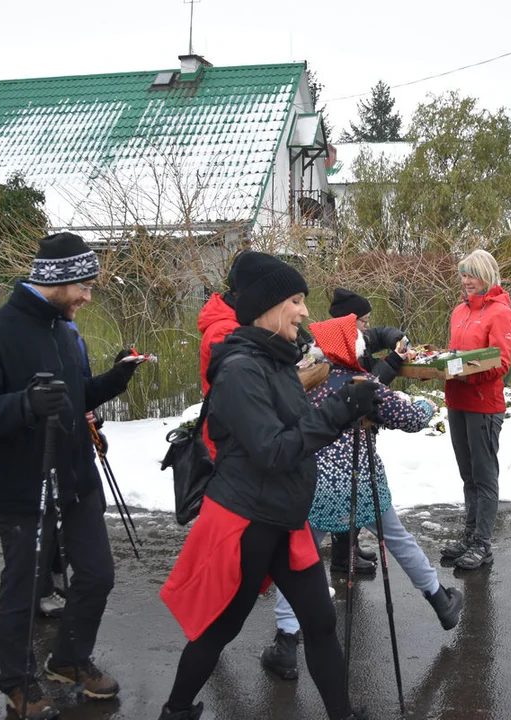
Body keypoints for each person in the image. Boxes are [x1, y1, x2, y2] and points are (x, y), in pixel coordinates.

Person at [158, 251, 378, 720]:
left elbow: (298, 424)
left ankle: (341, 713)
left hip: (284, 514)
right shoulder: (241, 370)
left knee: (320, 621)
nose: (304, 311)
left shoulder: (275, 359)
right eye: (296, 300)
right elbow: (274, 450)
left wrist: (348, 398)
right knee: (221, 626)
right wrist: (339, 412)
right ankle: (176, 711)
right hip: (248, 520)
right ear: (268, 306)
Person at [0, 232, 145, 720]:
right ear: (56, 281)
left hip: (76, 479)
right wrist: (23, 405)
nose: (88, 295)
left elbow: (72, 397)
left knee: (98, 575)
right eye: (83, 284)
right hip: (23, 487)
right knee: (23, 588)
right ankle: (18, 682)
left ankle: (68, 660)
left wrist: (112, 380)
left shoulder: (65, 330)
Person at [260, 314, 464, 682]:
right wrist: (426, 408)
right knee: (399, 540)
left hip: (313, 487)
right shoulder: (363, 383)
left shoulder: (303, 381)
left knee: (297, 559)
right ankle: (440, 601)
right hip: (364, 483)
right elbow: (409, 418)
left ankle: (286, 643)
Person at [439, 249, 511, 570]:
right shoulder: (459, 311)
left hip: (484, 406)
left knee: (484, 477)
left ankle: (483, 544)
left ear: (487, 275)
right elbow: (455, 355)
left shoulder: (500, 313)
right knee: (467, 474)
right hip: (456, 402)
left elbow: (500, 362)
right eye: (463, 274)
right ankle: (469, 536)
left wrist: (461, 369)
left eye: (472, 274)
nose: (466, 280)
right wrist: (440, 364)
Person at [326, 287, 410, 573]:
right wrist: (394, 361)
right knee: (346, 492)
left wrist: (397, 339)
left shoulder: (356, 337)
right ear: (349, 322)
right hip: (344, 436)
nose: (367, 326)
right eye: (363, 320)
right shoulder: (341, 349)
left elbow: (382, 332)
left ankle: (350, 549)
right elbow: (367, 385)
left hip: (356, 432)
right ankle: (342, 560)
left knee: (352, 489)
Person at [197, 251, 248, 460]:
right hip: (226, 446)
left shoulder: (237, 323)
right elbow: (238, 395)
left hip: (236, 441)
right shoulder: (225, 331)